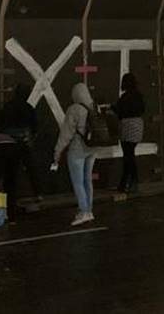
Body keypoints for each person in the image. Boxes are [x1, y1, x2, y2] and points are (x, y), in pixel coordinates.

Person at [53, 82, 97, 226]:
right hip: (92, 148)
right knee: (87, 180)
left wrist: (57, 152)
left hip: (78, 149)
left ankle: (83, 212)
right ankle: (89, 210)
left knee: (78, 182)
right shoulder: (93, 107)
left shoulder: (74, 109)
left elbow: (66, 134)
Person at [0, 83, 43, 202]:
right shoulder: (29, 108)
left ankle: (9, 199)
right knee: (31, 169)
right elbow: (34, 127)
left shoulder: (7, 106)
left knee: (10, 172)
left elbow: (2, 124)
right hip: (24, 142)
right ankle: (38, 194)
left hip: (9, 142)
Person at [112, 73, 146, 193]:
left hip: (127, 127)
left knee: (128, 156)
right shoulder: (139, 96)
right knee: (130, 155)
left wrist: (111, 108)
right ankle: (131, 183)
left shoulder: (125, 97)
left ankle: (128, 183)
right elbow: (142, 109)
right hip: (138, 126)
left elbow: (119, 110)